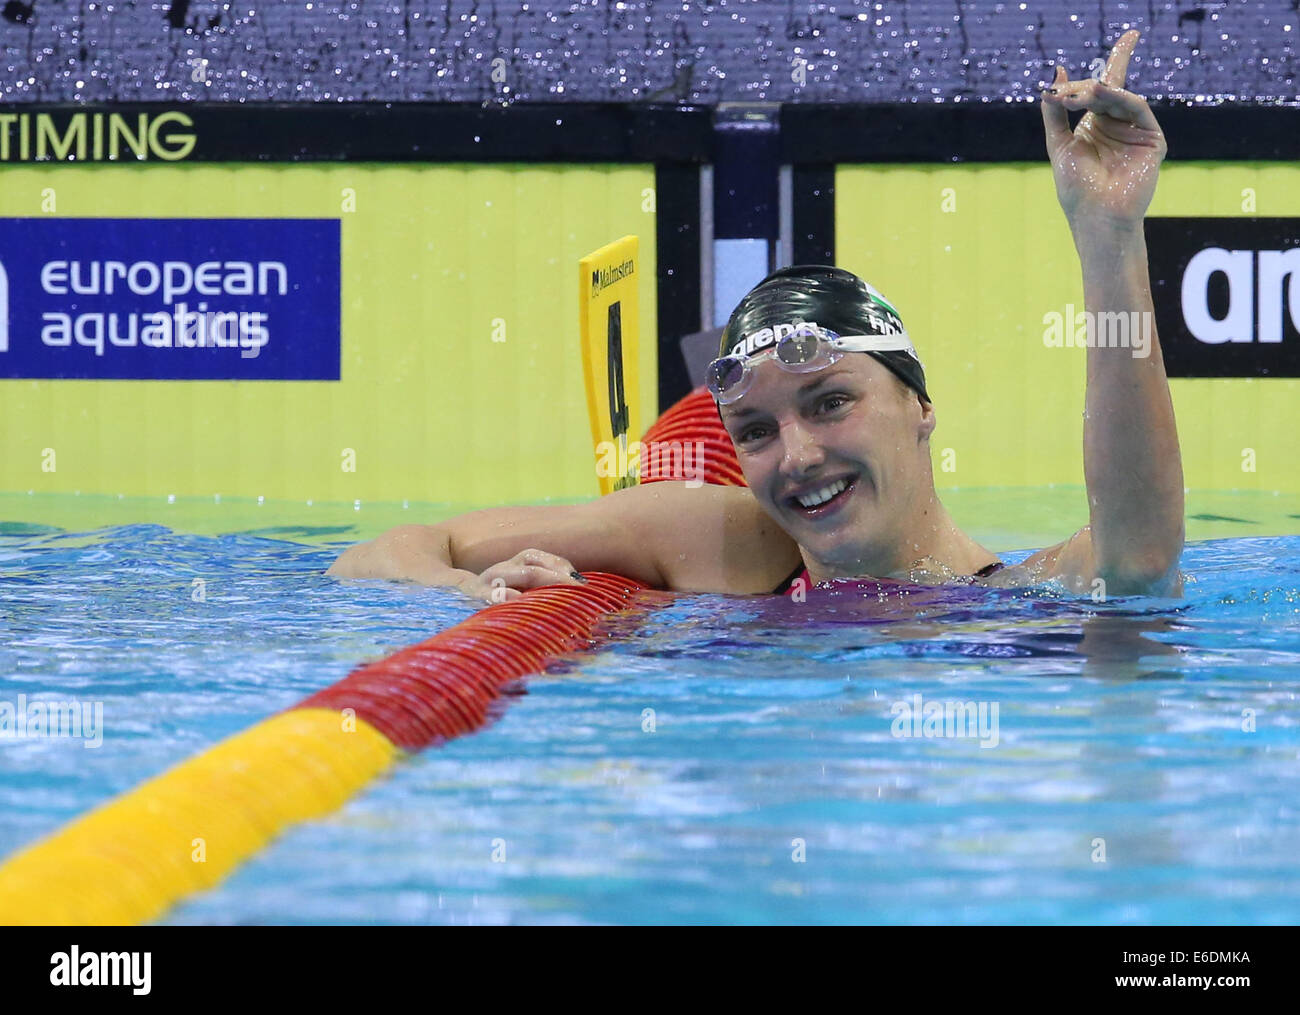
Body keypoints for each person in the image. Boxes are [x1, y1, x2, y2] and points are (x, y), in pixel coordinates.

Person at [328, 29, 1183, 603]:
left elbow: (1138, 559)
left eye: (830, 401)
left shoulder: (1018, 599)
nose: (798, 458)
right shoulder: (730, 540)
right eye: (754, 431)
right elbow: (377, 555)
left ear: (921, 407)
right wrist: (474, 592)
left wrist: (1108, 237)